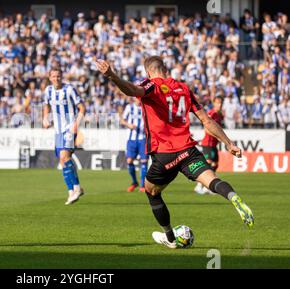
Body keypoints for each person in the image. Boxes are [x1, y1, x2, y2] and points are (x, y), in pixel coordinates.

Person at [96, 56, 254, 249]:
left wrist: (112, 75)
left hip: (165, 154)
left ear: (148, 72)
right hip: (188, 151)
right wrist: (229, 143)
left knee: (151, 191)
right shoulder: (184, 89)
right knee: (212, 180)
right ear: (165, 68)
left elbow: (132, 90)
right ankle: (233, 197)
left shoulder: (151, 85)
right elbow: (207, 121)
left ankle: (170, 237)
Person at [43, 68, 86, 205]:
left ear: (62, 77)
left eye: (59, 76)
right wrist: (45, 118)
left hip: (69, 129)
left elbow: (82, 108)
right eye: (54, 76)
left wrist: (76, 124)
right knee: (63, 162)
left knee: (65, 157)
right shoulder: (48, 91)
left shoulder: (69, 89)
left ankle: (77, 189)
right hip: (58, 130)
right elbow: (46, 105)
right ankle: (72, 191)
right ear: (50, 78)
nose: (56, 79)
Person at [195, 96, 224, 195]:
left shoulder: (220, 115)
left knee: (215, 164)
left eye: (221, 103)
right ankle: (199, 186)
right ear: (214, 103)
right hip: (208, 143)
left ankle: (207, 187)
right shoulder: (212, 113)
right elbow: (207, 128)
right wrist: (218, 136)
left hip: (214, 144)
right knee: (207, 164)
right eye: (217, 103)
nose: (219, 105)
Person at [120, 97, 148, 192]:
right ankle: (134, 182)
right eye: (137, 98)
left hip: (143, 139)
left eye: (140, 99)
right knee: (129, 161)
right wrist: (129, 125)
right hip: (131, 139)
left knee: (144, 161)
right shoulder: (129, 107)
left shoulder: (146, 107)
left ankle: (142, 185)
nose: (139, 100)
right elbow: (122, 120)